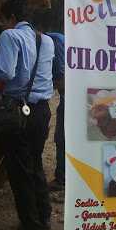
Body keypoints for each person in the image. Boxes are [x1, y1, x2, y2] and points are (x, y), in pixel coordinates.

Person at [0, 0, 55, 230]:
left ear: (10, 17)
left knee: (19, 171)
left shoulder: (10, 37)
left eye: (2, 20)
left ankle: (31, 229)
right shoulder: (47, 41)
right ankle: (44, 218)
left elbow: (5, 72)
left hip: (17, 111)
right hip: (42, 111)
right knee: (35, 164)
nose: (3, 25)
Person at [45, 32, 65, 192]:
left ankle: (62, 178)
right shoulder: (59, 38)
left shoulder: (54, 41)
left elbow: (60, 77)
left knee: (62, 137)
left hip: (70, 97)